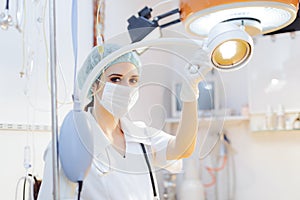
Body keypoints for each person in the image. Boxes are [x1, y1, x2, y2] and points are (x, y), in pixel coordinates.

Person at [37, 43, 212, 200]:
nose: (126, 88)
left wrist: (190, 93)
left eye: (133, 80)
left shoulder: (140, 135)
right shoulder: (71, 142)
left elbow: (182, 148)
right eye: (115, 79)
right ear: (94, 84)